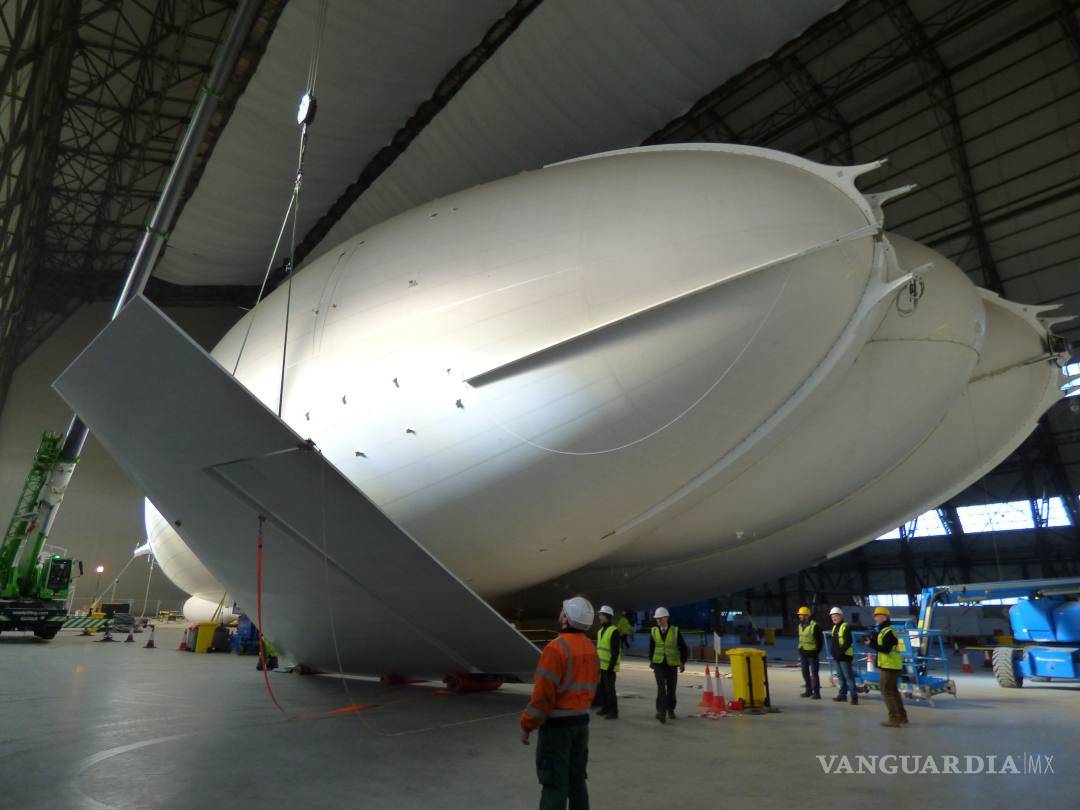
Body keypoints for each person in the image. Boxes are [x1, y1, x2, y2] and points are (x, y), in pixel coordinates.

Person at [520, 596, 600, 809]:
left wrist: (527, 725)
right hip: (581, 725)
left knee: (554, 784)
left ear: (566, 618)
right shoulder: (591, 649)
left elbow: (543, 697)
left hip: (557, 730)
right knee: (576, 782)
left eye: (563, 610)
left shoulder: (556, 649)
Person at [863, 606, 908, 728]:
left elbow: (886, 649)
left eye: (877, 615)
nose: (875, 617)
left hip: (889, 666)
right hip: (892, 664)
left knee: (885, 690)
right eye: (875, 615)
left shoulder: (887, 631)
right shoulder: (884, 630)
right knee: (893, 690)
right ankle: (902, 716)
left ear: (884, 616)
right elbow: (882, 644)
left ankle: (894, 719)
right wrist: (873, 639)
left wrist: (871, 644)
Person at [649, 607, 689, 723]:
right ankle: (661, 712)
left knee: (671, 689)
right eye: (657, 619)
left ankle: (670, 709)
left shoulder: (675, 631)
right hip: (658, 664)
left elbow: (683, 648)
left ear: (666, 618)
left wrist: (682, 662)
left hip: (671, 665)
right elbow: (651, 648)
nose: (658, 621)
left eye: (660, 618)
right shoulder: (654, 631)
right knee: (661, 689)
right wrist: (651, 660)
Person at [827, 606, 858, 705]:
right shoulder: (834, 627)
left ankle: (854, 697)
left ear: (841, 616)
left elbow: (848, 642)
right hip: (837, 657)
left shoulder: (845, 627)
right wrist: (834, 653)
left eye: (835, 616)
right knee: (841, 677)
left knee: (849, 677)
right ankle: (842, 695)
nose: (834, 618)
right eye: (832, 617)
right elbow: (834, 642)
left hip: (844, 657)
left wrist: (840, 652)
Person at [595, 605, 620, 719]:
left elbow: (615, 652)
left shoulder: (614, 631)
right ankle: (605, 708)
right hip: (601, 667)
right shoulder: (600, 631)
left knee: (610, 690)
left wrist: (611, 667)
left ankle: (613, 712)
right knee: (602, 690)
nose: (599, 617)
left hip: (609, 667)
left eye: (601, 615)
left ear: (607, 616)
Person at [796, 605, 823, 699]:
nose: (800, 616)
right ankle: (808, 690)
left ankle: (817, 693)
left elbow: (820, 641)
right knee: (805, 673)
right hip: (803, 654)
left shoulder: (814, 626)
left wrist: (816, 651)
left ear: (807, 616)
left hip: (812, 654)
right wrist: (800, 650)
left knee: (814, 674)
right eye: (799, 615)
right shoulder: (800, 626)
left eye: (802, 615)